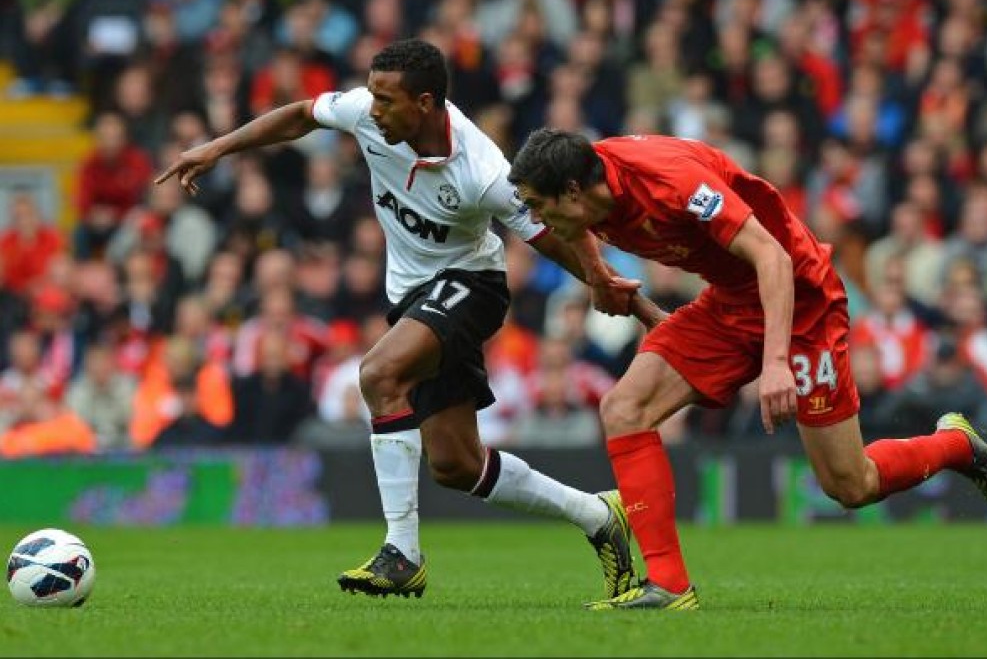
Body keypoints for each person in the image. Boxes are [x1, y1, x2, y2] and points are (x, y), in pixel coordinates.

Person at [156, 39, 657, 602]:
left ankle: (402, 553)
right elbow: (300, 115)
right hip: (414, 296)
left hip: (473, 284)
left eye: (385, 100)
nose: (371, 109)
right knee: (456, 464)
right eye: (371, 94)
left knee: (377, 374)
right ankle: (597, 514)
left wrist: (619, 293)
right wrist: (216, 149)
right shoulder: (368, 115)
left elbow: (552, 232)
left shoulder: (483, 169)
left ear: (424, 103)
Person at [508, 129, 987, 611]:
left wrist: (775, 364)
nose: (533, 218)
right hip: (730, 303)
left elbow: (771, 258)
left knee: (850, 484)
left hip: (801, 302)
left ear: (572, 191)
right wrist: (596, 275)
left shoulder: (671, 183)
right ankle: (668, 584)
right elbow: (575, 226)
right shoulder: (584, 191)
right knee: (624, 408)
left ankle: (955, 445)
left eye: (536, 205)